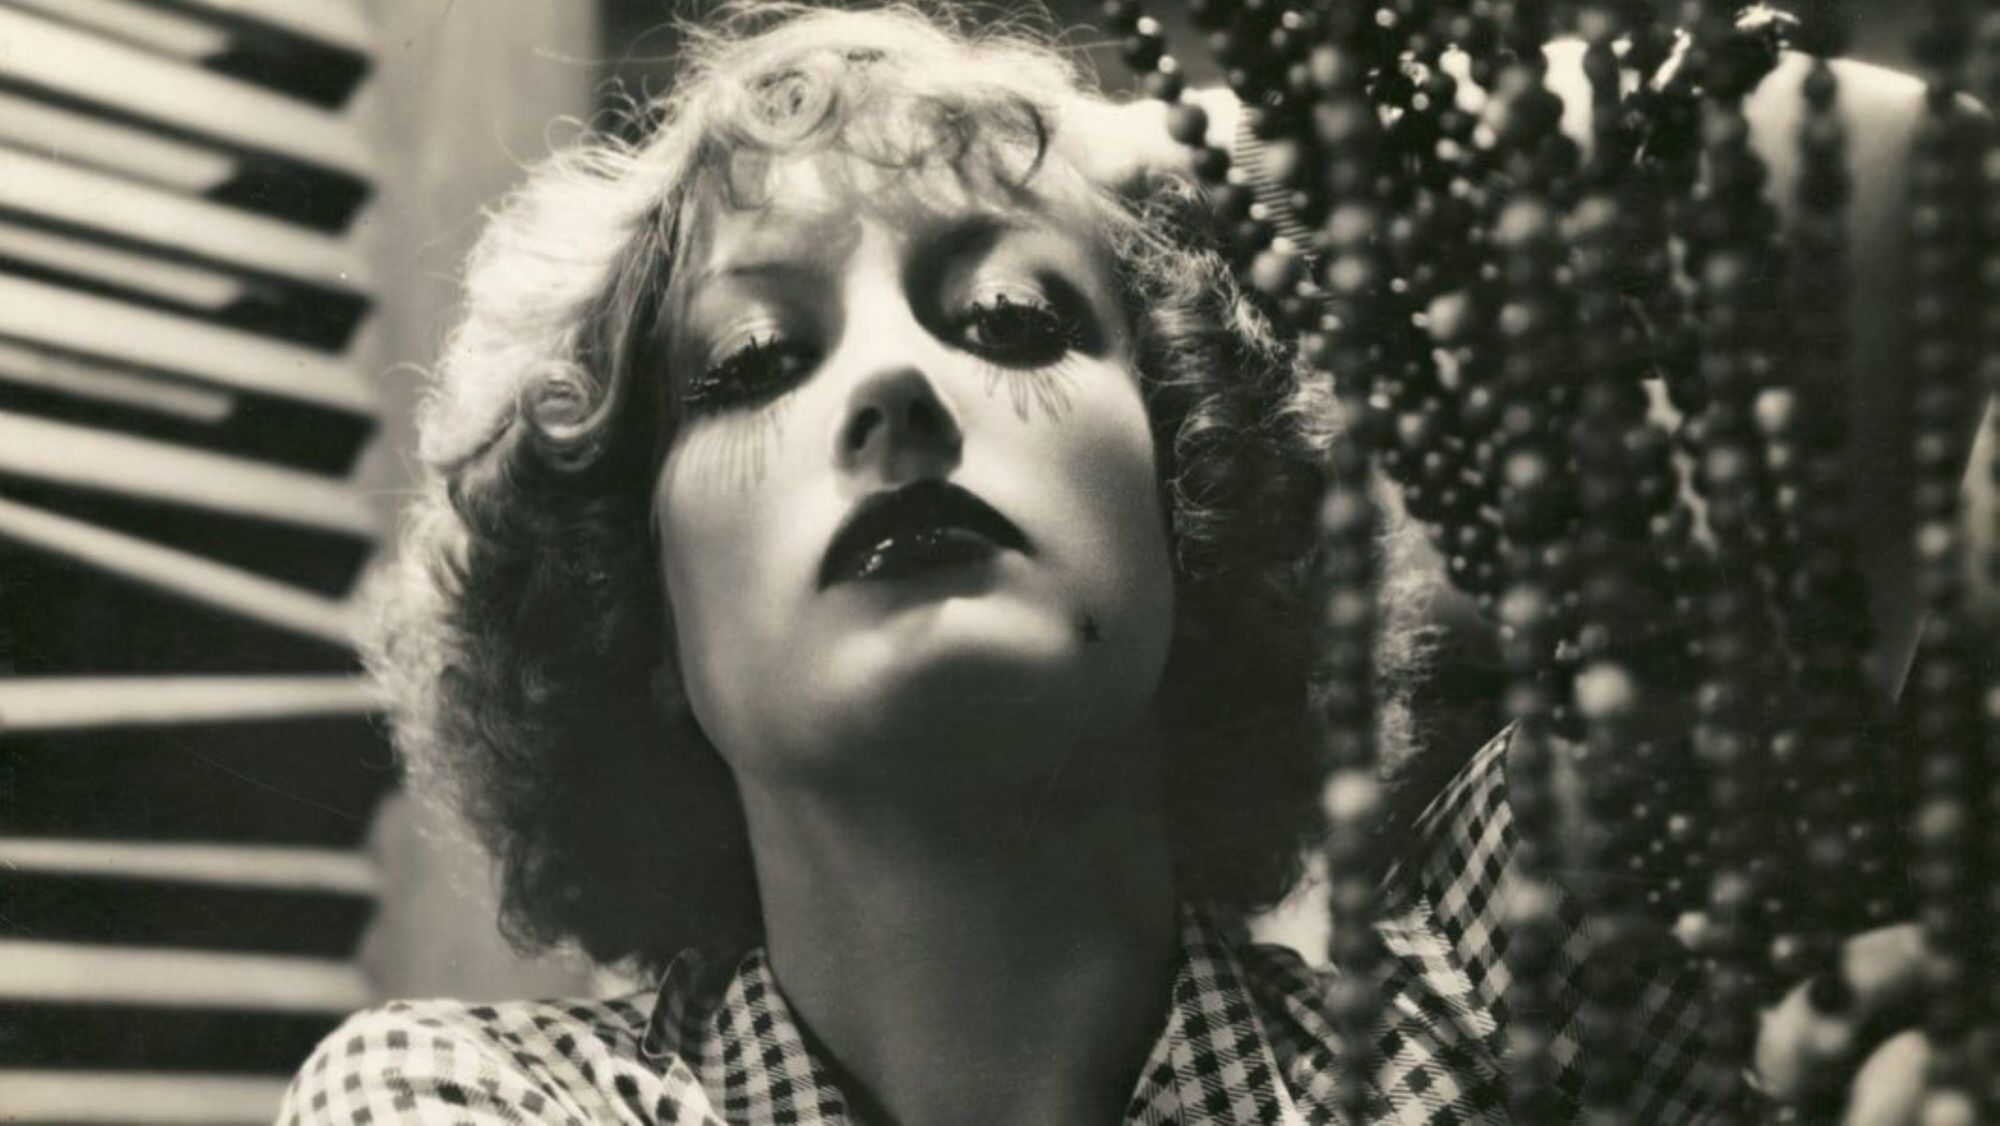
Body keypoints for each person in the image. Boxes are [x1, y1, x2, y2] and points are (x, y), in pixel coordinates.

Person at [281, 6, 1951, 1123]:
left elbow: (1891, 177)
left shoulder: (1493, 1018)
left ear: (1191, 503)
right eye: (752, 362)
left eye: (1012, 316)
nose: (895, 384)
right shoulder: (471, 1100)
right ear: (637, 612)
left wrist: (1156, 169)